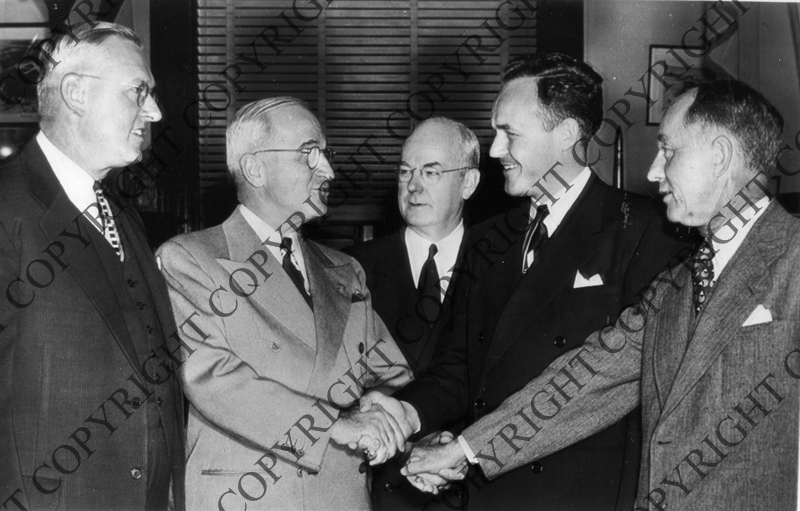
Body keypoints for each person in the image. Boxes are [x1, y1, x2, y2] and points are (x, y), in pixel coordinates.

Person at [404, 79, 800, 510]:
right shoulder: (678, 281)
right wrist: (464, 450)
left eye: (668, 151)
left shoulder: (793, 257)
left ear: (720, 156)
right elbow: (585, 381)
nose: (653, 172)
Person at [403, 53, 691, 510]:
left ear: (567, 134)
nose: (495, 150)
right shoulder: (488, 238)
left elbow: (607, 380)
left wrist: (465, 449)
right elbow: (459, 368)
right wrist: (405, 412)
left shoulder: (645, 231)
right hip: (486, 493)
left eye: (510, 134)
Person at [157, 97, 417, 511]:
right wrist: (338, 425)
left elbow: (390, 370)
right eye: (309, 153)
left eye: (326, 154)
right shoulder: (190, 259)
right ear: (255, 168)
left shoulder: (345, 270)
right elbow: (212, 378)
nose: (328, 170)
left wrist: (380, 409)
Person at [0, 22, 185, 510]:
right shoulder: (5, 204)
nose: (155, 111)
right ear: (76, 93)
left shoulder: (123, 215)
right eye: (138, 91)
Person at [348, 117, 480, 509]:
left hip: (472, 486)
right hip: (380, 488)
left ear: (469, 182)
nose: (413, 186)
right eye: (406, 171)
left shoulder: (502, 263)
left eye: (431, 172)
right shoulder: (351, 268)